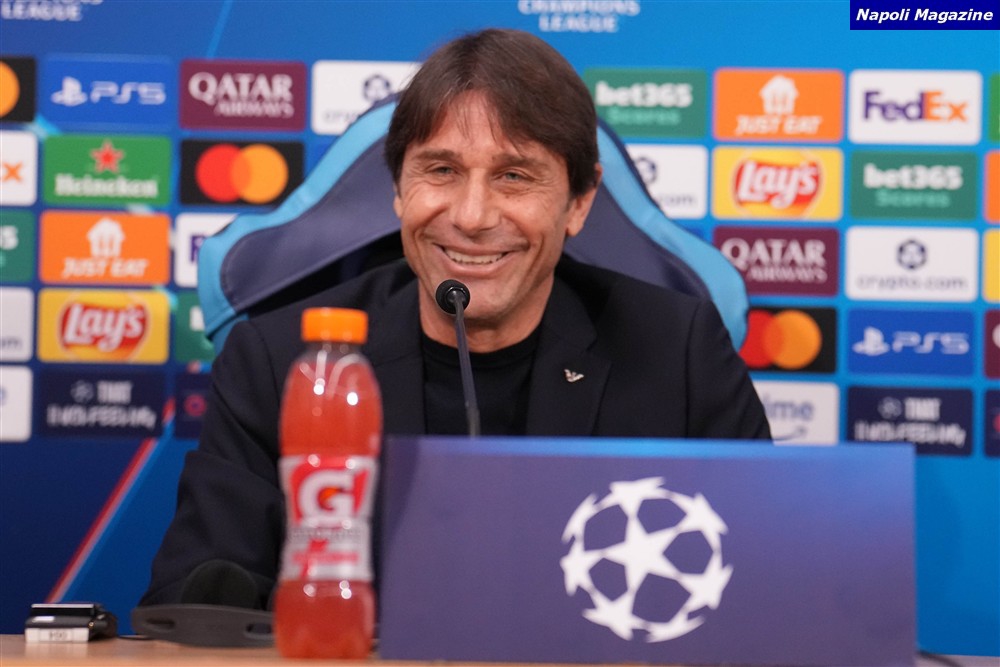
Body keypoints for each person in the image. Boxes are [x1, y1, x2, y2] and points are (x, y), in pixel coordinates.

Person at [141, 28, 770, 608]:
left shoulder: (679, 353)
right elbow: (193, 607)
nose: (471, 216)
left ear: (579, 202)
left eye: (514, 176)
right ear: (398, 189)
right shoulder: (280, 362)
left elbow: (769, 588)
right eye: (441, 171)